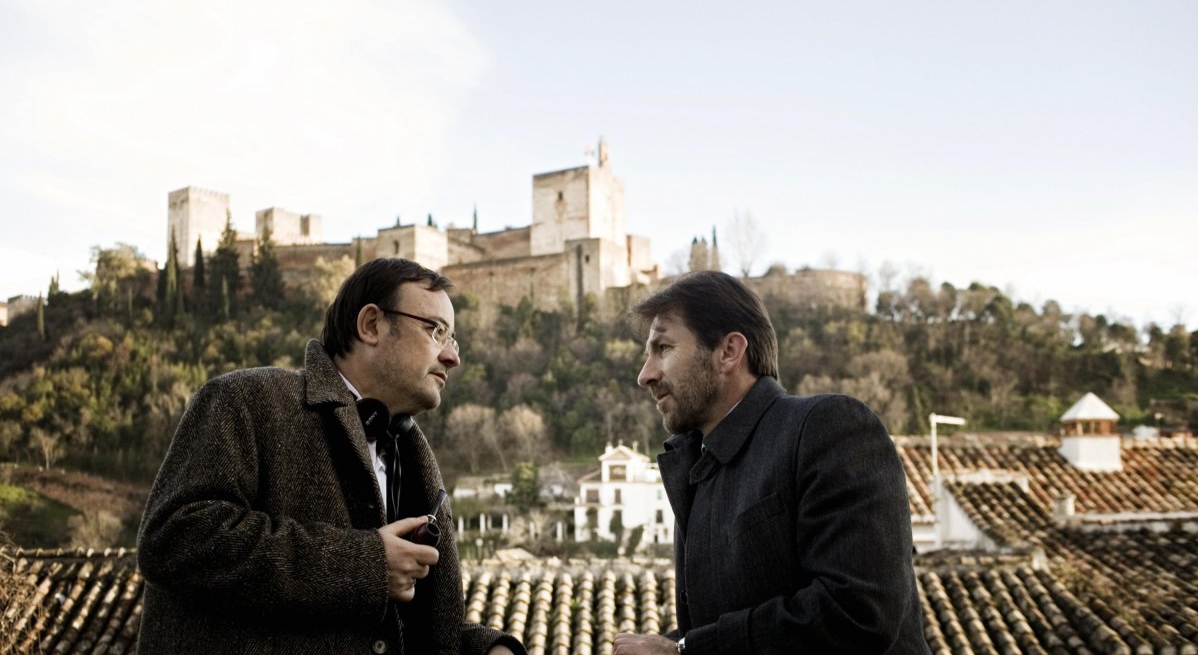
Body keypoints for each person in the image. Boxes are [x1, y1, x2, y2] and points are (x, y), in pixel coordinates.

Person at [138, 258, 524, 654]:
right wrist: (366, 565)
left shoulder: (414, 456)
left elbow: (408, 628)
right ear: (371, 325)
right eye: (436, 331)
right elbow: (173, 539)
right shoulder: (246, 400)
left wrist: (486, 649)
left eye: (453, 340)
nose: (452, 357)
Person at [613, 271, 928, 654]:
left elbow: (857, 611)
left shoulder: (829, 427)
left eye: (663, 348)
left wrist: (683, 651)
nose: (645, 375)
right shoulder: (699, 473)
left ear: (729, 351)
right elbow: (722, 628)